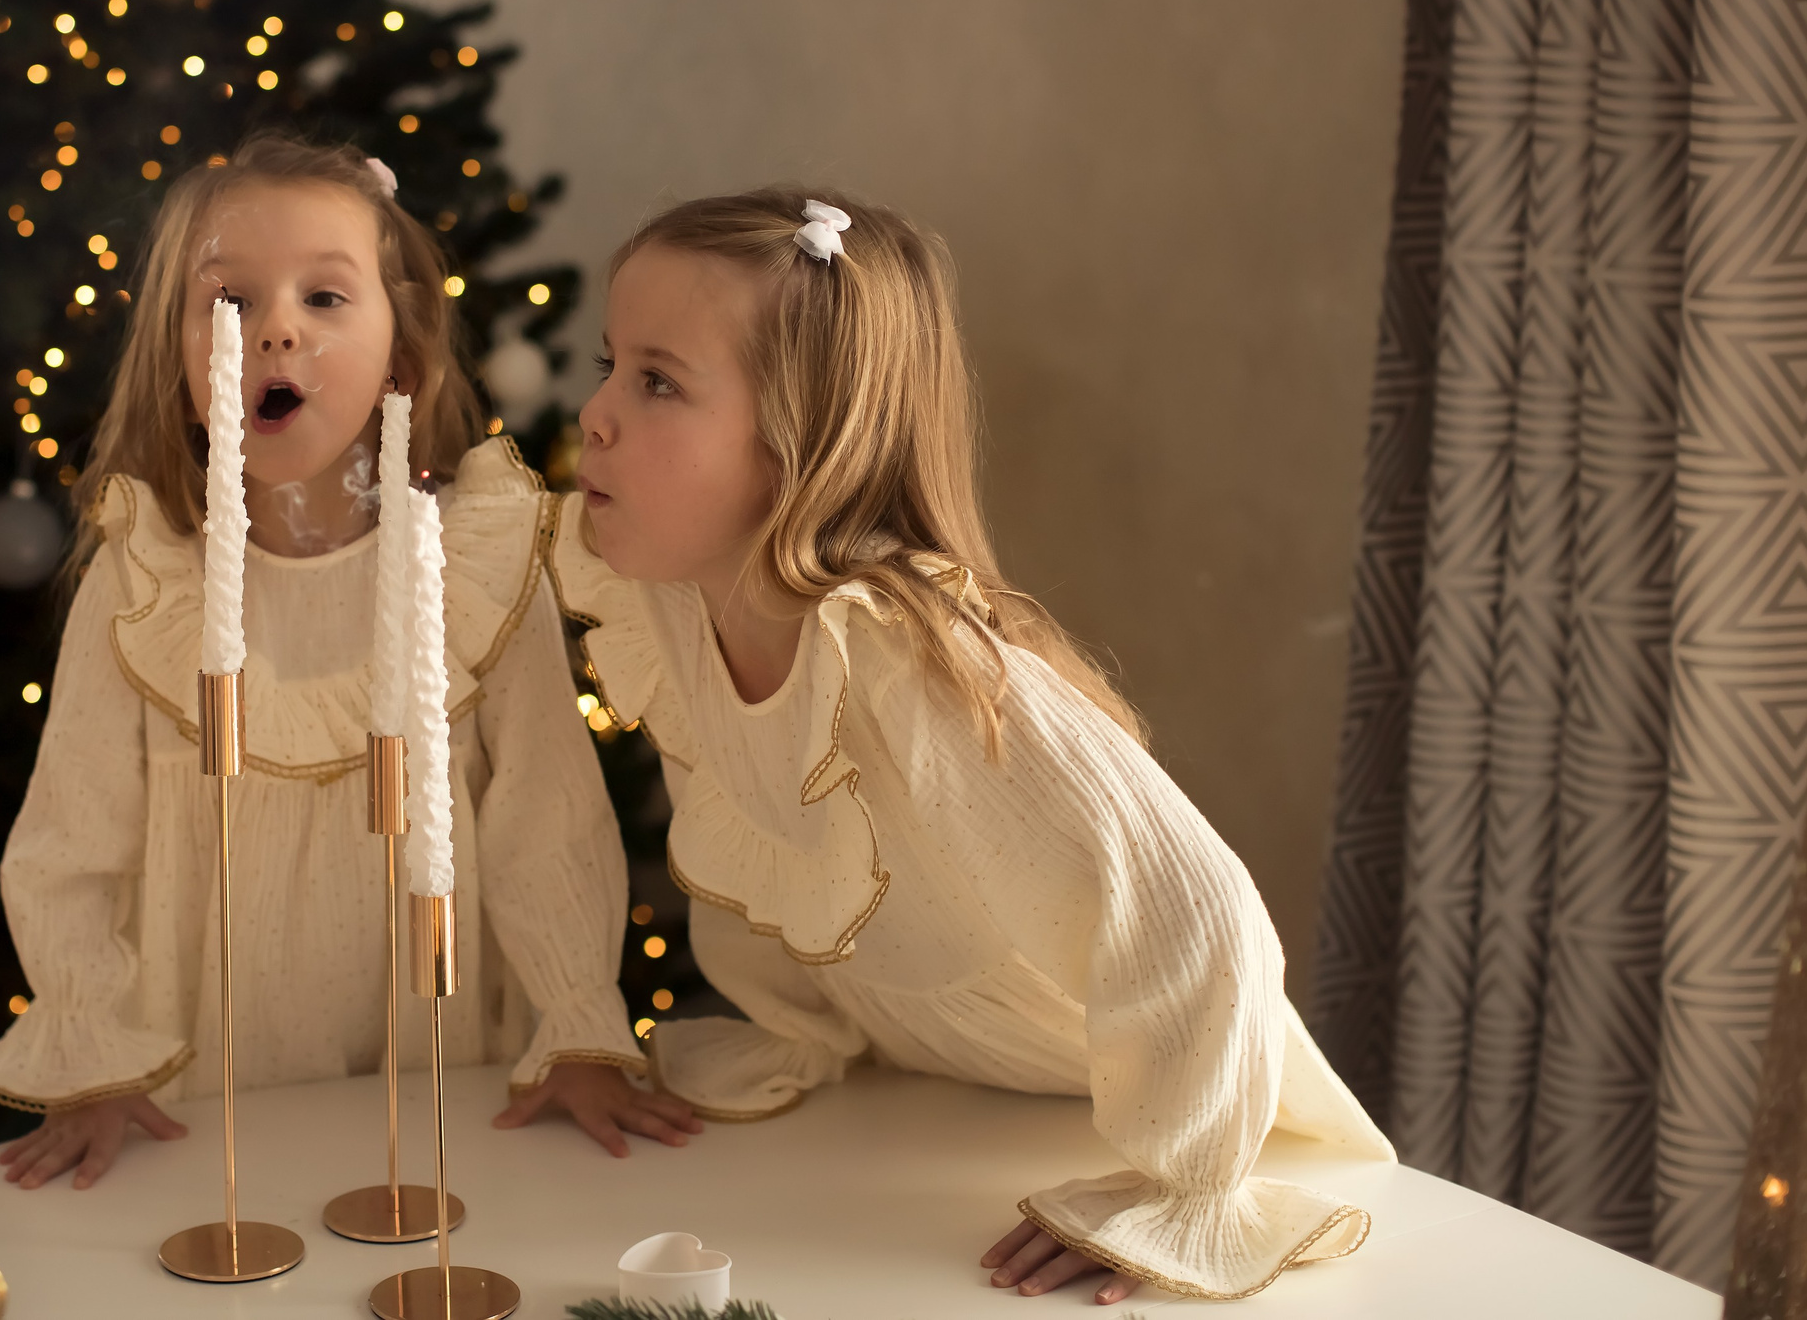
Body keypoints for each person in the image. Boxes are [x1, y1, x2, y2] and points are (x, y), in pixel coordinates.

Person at [554, 189, 1392, 1302]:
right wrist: (796, 1032)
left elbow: (1203, 906)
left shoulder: (907, 659)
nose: (596, 412)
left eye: (657, 382)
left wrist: (1178, 1185)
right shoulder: (664, 598)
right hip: (932, 1085)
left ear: (803, 444)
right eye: (609, 362)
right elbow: (764, 838)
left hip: (1122, 1097)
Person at [0, 134, 696, 1188]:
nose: (274, 329)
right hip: (199, 1114)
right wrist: (88, 1056)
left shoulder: (479, 572)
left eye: (323, 298)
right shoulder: (143, 587)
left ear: (399, 360)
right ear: (183, 371)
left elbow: (547, 820)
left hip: (448, 1087)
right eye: (228, 304)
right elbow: (69, 846)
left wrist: (580, 1028)